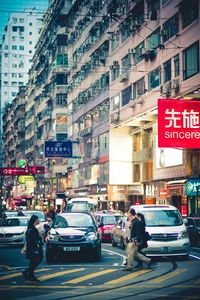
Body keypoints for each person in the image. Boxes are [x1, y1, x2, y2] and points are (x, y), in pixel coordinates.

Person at [22, 215, 43, 282]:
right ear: (35, 220)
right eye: (38, 219)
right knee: (36, 261)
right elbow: (32, 240)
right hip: (33, 249)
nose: (39, 220)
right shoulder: (31, 230)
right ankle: (28, 273)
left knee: (33, 262)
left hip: (34, 248)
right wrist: (38, 241)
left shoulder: (33, 228)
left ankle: (30, 275)